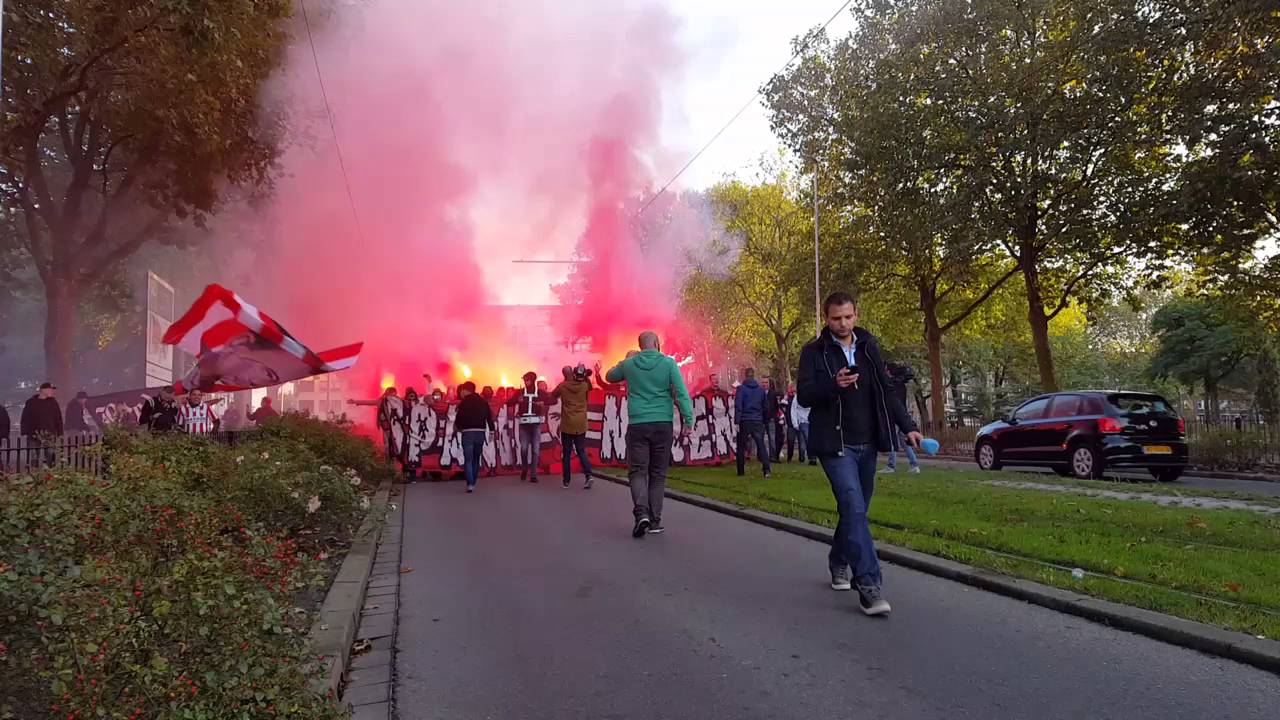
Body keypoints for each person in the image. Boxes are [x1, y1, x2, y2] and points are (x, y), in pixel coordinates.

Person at [798, 292, 921, 616]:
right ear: (826, 318)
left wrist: (907, 426)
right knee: (853, 506)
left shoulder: (869, 347)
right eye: (836, 318)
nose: (843, 323)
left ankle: (839, 559)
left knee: (855, 511)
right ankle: (869, 585)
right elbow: (805, 395)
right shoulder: (813, 352)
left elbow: (887, 391)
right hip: (835, 444)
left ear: (856, 315)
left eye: (848, 317)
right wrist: (833, 384)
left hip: (867, 442)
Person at [606, 331, 694, 538]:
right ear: (656, 343)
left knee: (637, 471)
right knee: (658, 473)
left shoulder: (630, 364)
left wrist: (625, 360)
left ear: (640, 345)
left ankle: (641, 514)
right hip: (662, 423)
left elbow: (609, 376)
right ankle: (655, 521)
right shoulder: (669, 364)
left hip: (638, 423)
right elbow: (681, 392)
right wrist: (688, 419)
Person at [553, 363, 594, 489]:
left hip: (567, 424)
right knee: (581, 451)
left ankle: (566, 480)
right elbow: (590, 386)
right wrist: (586, 374)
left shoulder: (563, 386)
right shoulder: (584, 386)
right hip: (581, 423)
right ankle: (588, 475)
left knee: (566, 453)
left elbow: (553, 395)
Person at [506, 372, 551, 482]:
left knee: (535, 450)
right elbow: (509, 403)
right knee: (524, 448)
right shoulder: (520, 392)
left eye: (527, 380)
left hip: (535, 424)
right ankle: (525, 468)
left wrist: (543, 402)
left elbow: (553, 400)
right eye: (524, 380)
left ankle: (533, 474)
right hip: (524, 425)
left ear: (532, 380)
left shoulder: (539, 392)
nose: (525, 382)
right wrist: (517, 400)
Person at [453, 381, 494, 493]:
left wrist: (458, 427)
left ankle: (470, 483)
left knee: (468, 459)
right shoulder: (483, 401)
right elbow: (489, 417)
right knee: (476, 458)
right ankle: (474, 480)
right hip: (480, 432)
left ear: (465, 390)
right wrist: (492, 431)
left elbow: (459, 418)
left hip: (468, 433)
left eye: (461, 390)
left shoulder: (463, 402)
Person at [881, 363, 921, 474]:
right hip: (903, 415)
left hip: (894, 416)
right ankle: (914, 464)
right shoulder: (901, 384)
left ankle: (891, 465)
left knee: (892, 440)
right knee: (904, 442)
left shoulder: (891, 384)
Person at [734, 369, 771, 478]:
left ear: (745, 376)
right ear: (754, 376)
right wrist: (764, 421)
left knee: (741, 446)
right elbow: (766, 407)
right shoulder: (760, 390)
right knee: (761, 445)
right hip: (757, 420)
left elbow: (738, 406)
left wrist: (737, 421)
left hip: (744, 420)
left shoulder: (741, 389)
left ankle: (741, 471)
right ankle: (766, 470)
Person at [350, 387, 402, 463]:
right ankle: (389, 460)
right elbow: (369, 402)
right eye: (389, 393)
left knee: (396, 443)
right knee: (387, 443)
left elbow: (409, 403)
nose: (391, 395)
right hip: (386, 426)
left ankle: (395, 458)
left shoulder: (399, 401)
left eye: (393, 393)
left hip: (397, 426)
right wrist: (355, 401)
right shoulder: (381, 401)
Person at [21, 382, 63, 466]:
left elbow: (58, 418)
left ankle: (49, 473)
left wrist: (60, 432)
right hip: (34, 434)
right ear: (43, 390)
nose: (52, 391)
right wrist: (25, 431)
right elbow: (25, 417)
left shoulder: (53, 402)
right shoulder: (31, 402)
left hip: (49, 433)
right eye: (50, 389)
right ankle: (35, 473)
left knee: (50, 456)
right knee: (34, 457)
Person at [789, 387, 813, 465]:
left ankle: (808, 457)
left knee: (806, 440)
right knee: (806, 439)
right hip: (803, 421)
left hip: (811, 421)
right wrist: (795, 423)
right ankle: (809, 457)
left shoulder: (813, 396)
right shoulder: (797, 398)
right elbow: (793, 410)